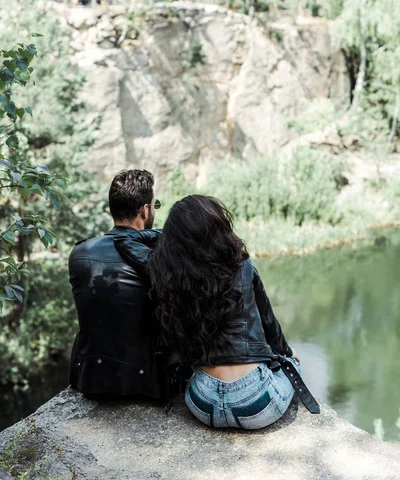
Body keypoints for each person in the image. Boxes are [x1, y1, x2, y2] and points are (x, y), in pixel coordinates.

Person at [115, 194, 319, 429]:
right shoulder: (242, 266)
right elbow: (269, 325)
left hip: (203, 404)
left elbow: (125, 242)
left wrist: (170, 237)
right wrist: (287, 354)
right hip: (257, 404)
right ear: (218, 228)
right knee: (293, 366)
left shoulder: (172, 274)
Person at [68, 169, 165, 399]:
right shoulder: (157, 253)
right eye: (155, 205)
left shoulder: (79, 252)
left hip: (90, 380)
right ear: (144, 210)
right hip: (146, 383)